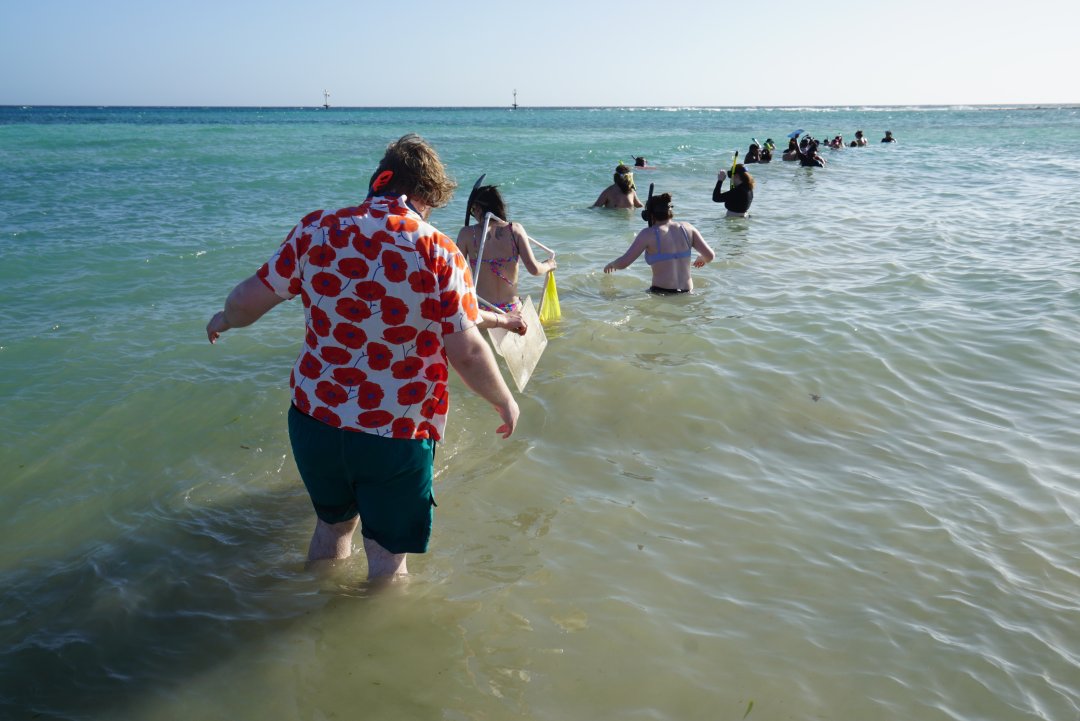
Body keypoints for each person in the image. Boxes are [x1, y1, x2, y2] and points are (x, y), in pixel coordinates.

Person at [205, 134, 521, 580]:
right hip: (395, 432)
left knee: (331, 528)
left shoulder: (316, 229)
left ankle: (313, 608)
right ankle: (369, 645)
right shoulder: (438, 251)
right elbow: (466, 351)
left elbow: (246, 301)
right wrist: (503, 401)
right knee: (387, 563)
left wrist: (224, 319)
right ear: (423, 196)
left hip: (315, 420)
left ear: (380, 179)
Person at [456, 185, 557, 312]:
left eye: (473, 209)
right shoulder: (515, 230)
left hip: (482, 309)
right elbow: (534, 269)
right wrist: (549, 264)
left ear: (479, 209)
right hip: (511, 309)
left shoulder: (466, 234)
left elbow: (456, 274)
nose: (473, 214)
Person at [603, 191, 715, 293]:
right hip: (687, 293)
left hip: (662, 293)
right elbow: (710, 255)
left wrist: (612, 264)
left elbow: (624, 262)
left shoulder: (648, 234)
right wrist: (702, 258)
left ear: (649, 215)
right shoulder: (688, 228)